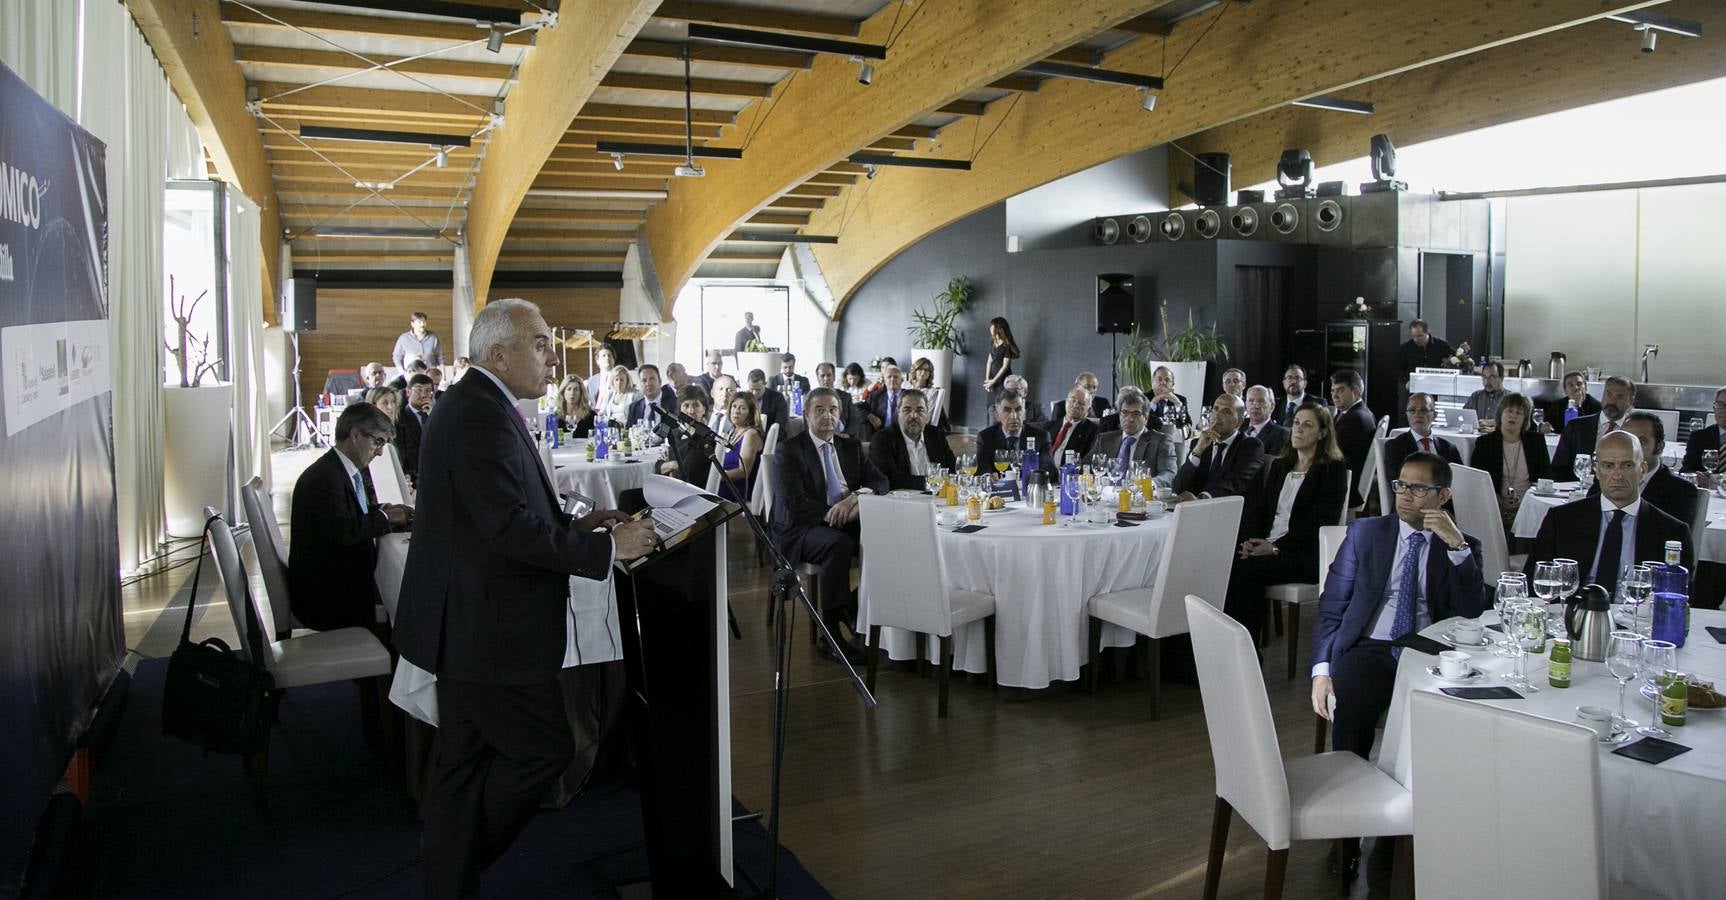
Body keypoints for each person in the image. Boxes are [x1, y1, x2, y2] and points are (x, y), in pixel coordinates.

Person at [392, 299, 657, 898]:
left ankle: (446, 870)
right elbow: (506, 529)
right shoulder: (478, 414)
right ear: (498, 353)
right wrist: (608, 550)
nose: (551, 355)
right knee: (543, 749)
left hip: (471, 621)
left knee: (462, 762)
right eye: (538, 344)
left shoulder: (481, 405)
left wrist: (582, 526)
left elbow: (509, 507)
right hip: (489, 628)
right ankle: (453, 862)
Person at [1312, 452, 1488, 760]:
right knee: (1353, 699)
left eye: (1418, 489)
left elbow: (1472, 609)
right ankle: (1350, 783)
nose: (1405, 496)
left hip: (1429, 649)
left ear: (1443, 495)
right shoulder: (1365, 535)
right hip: (1369, 646)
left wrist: (1456, 548)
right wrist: (1321, 671)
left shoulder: (1462, 545)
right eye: (1400, 485)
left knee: (1454, 719)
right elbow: (1332, 607)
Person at [771, 387, 888, 663]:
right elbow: (794, 503)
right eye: (820, 410)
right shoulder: (789, 450)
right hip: (800, 528)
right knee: (840, 544)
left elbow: (880, 482)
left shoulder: (850, 446)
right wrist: (831, 513)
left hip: (844, 519)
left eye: (833, 410)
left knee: (887, 536)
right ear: (806, 415)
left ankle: (855, 607)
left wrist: (856, 498)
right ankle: (832, 633)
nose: (828, 416)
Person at [1225, 403, 1351, 645]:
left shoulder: (1332, 470)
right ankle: (1225, 644)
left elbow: (1319, 523)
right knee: (1228, 561)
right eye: (1296, 423)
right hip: (1269, 545)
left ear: (1323, 433)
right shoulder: (1281, 466)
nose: (1298, 430)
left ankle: (1247, 649)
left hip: (1304, 553)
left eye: (1307, 425)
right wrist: (1251, 541)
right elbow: (1260, 511)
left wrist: (1274, 547)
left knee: (1248, 570)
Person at [287, 402, 412, 632]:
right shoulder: (323, 479)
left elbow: (349, 514)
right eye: (377, 442)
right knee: (407, 600)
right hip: (329, 597)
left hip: (337, 580)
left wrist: (383, 509)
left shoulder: (339, 469)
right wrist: (385, 517)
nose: (380, 452)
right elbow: (344, 531)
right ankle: (391, 658)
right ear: (355, 435)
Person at [1525, 430, 1693, 592]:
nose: (1617, 475)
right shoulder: (1561, 521)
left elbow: (1677, 598)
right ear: (1597, 470)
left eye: (1627, 465)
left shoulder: (1673, 532)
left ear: (1642, 470)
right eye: (1608, 466)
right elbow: (1535, 584)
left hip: (1638, 617)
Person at [1587, 412, 1699, 528]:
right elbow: (1586, 520)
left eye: (1641, 441)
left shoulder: (1680, 490)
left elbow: (1672, 535)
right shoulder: (1605, 477)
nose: (1631, 448)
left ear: (1659, 447)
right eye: (1626, 441)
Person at [1469, 392, 1549, 532]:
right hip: (1495, 505)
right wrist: (1498, 499)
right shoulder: (1485, 443)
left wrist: (1529, 498)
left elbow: (1546, 475)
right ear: (1501, 414)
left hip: (1529, 504)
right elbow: (1477, 481)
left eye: (1519, 413)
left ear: (1525, 419)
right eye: (1509, 411)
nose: (1513, 416)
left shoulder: (1536, 441)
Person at [1173, 393, 1266, 502]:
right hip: (1196, 511)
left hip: (1232, 513)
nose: (1217, 415)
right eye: (1215, 409)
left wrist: (1202, 499)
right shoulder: (1199, 443)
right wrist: (1197, 451)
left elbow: (1236, 483)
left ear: (1239, 422)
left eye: (1226, 411)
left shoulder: (1251, 446)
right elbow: (1179, 487)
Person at [868, 388, 957, 491]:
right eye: (907, 410)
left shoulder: (935, 435)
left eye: (920, 410)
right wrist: (930, 483)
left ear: (927, 413)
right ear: (898, 412)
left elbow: (952, 470)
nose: (914, 416)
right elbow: (888, 478)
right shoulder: (882, 439)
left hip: (938, 500)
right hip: (901, 502)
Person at [1551, 374, 1637, 477]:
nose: (1612, 401)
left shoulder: (1635, 431)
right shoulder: (1575, 427)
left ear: (1630, 401)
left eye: (1619, 396)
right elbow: (1557, 470)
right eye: (1608, 394)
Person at [1093, 388, 1178, 488]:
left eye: (1136, 414)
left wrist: (1149, 483)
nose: (1129, 419)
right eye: (1125, 412)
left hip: (1140, 498)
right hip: (1107, 497)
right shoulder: (1105, 439)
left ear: (1146, 418)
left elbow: (1169, 474)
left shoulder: (1160, 441)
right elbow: (1085, 466)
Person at [1382, 393, 1463, 483]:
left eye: (1424, 410)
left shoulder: (1449, 448)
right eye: (1412, 410)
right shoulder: (1395, 447)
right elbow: (1397, 483)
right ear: (1407, 415)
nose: (1417, 414)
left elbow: (1461, 481)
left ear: (1434, 415)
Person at [1331, 370, 1377, 509]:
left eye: (1340, 390)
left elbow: (1331, 451)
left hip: (1346, 483)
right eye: (1333, 391)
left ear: (1356, 391)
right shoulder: (1358, 412)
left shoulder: (1356, 419)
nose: (1335, 395)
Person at [973, 390, 1049, 473]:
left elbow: (1050, 469)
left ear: (1024, 414)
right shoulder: (985, 437)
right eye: (1007, 410)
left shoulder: (1041, 436)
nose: (1014, 416)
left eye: (1018, 410)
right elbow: (982, 471)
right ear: (997, 415)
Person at [657, 385, 714, 487]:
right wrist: (673, 464)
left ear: (704, 410)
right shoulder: (674, 433)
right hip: (671, 486)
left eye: (696, 405)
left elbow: (685, 475)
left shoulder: (706, 439)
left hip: (690, 492)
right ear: (680, 410)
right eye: (686, 406)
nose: (691, 411)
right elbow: (657, 467)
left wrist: (667, 468)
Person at [717, 393, 765, 502]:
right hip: (724, 484)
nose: (736, 411)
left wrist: (716, 477)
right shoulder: (732, 431)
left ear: (751, 413)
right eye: (734, 406)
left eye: (742, 408)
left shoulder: (750, 434)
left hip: (735, 490)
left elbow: (743, 472)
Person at [394, 374, 435, 486]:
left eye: (428, 391)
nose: (423, 395)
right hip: (413, 476)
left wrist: (433, 417)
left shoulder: (435, 415)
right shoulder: (400, 418)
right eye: (418, 390)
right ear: (408, 392)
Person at [1680, 386, 1726, 475]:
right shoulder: (1699, 437)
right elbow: (1686, 469)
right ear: (1714, 408)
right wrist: (1697, 476)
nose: (1724, 410)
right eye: (1720, 405)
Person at [1048, 385, 1100, 462]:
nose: (1075, 405)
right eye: (1073, 400)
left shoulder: (1092, 431)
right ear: (1066, 401)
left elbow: (1086, 461)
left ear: (1088, 410)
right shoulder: (1049, 426)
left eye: (1081, 403)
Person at [981, 316, 1020, 409]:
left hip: (1003, 381)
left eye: (992, 326)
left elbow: (1005, 366)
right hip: (992, 382)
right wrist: (988, 381)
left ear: (998, 329)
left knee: (1002, 406)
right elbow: (989, 361)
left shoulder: (1006, 346)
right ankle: (992, 424)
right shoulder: (993, 343)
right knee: (991, 406)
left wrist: (993, 381)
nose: (990, 328)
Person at [1240, 385, 1288, 455]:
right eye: (1251, 400)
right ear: (1246, 405)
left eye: (1261, 401)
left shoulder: (1281, 435)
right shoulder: (1238, 425)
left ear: (1272, 407)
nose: (1255, 406)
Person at [626, 364, 675, 430]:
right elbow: (629, 433)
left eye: (652, 379)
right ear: (640, 385)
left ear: (660, 381)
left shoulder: (673, 403)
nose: (648, 384)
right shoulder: (634, 407)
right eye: (644, 380)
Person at [815, 362, 857, 434]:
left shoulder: (846, 397)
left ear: (834, 377)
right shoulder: (812, 398)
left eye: (829, 375)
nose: (826, 379)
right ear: (818, 378)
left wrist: (847, 435)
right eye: (822, 376)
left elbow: (854, 421)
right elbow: (808, 423)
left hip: (843, 437)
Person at [864, 364, 905, 432]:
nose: (892, 379)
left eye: (896, 377)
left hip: (903, 435)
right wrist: (870, 416)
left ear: (902, 380)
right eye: (889, 377)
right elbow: (858, 408)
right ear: (884, 381)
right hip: (881, 435)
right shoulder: (876, 396)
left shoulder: (909, 396)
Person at [747, 368, 789, 433]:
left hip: (770, 437)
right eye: (751, 389)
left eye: (758, 390)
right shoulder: (744, 398)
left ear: (765, 384)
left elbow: (780, 425)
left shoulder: (778, 398)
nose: (754, 393)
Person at [585, 344, 618, 412]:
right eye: (604, 356)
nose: (607, 358)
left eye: (609, 355)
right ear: (598, 361)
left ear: (614, 359)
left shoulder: (620, 378)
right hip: (595, 415)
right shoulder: (592, 380)